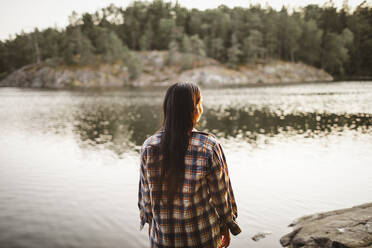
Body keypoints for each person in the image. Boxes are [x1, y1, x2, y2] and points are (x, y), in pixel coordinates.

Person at [138, 82, 241, 248]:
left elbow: (146, 199)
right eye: (200, 103)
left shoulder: (149, 147)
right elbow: (221, 196)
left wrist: (151, 226)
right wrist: (228, 225)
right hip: (203, 238)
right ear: (195, 109)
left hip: (163, 240)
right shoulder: (208, 146)